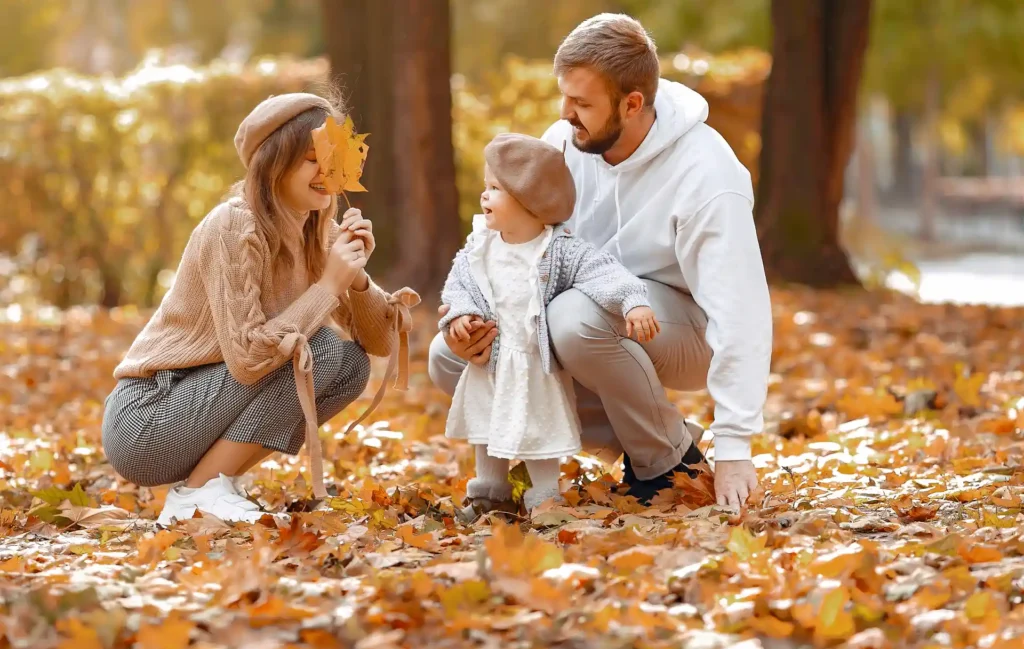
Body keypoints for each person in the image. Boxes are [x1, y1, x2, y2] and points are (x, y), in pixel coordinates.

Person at [429, 14, 772, 509]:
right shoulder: (566, 139)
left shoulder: (707, 173)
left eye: (582, 102)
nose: (566, 113)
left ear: (632, 104)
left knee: (573, 317)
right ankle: (659, 437)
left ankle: (664, 462)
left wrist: (737, 444)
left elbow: (740, 312)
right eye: (565, 96)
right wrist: (473, 305)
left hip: (682, 330)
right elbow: (504, 224)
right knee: (448, 357)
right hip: (582, 310)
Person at [102, 92, 418, 525]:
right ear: (273, 163)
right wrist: (329, 285)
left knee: (349, 364)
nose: (326, 171)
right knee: (321, 347)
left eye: (334, 158)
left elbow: (378, 343)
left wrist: (357, 278)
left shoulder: (314, 231)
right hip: (149, 417)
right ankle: (197, 494)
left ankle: (211, 486)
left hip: (202, 408)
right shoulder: (233, 225)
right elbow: (249, 358)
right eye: (311, 159)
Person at [441, 133, 660, 513]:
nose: (484, 196)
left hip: (532, 364)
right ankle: (488, 493)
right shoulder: (479, 247)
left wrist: (632, 302)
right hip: (491, 362)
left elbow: (603, 273)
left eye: (495, 188)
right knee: (487, 426)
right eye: (485, 186)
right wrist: (460, 314)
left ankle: (545, 499)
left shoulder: (558, 249)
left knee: (538, 428)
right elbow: (457, 286)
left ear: (529, 203)